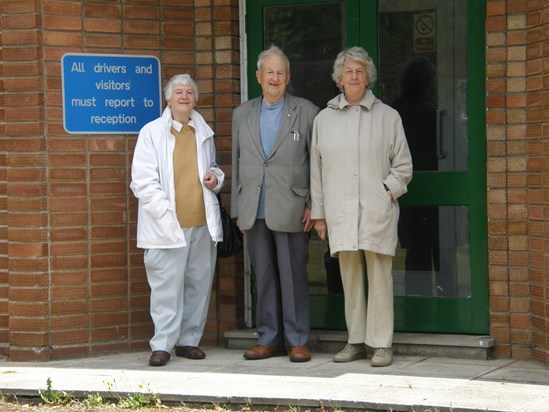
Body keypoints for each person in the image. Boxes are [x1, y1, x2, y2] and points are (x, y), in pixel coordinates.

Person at [310, 46, 413, 367]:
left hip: (376, 210)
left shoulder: (388, 116)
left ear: (369, 78)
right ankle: (355, 340)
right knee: (350, 277)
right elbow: (317, 169)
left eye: (359, 71)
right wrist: (319, 214)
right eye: (348, 71)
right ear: (339, 79)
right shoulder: (323, 119)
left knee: (380, 278)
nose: (354, 76)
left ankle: (381, 344)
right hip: (340, 211)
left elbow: (404, 166)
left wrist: (386, 192)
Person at [231, 45, 319, 363]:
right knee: (264, 276)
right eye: (269, 71)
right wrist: (238, 210)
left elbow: (317, 163)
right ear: (258, 76)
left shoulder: (307, 111)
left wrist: (314, 204)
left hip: (293, 208)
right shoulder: (241, 114)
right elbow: (238, 162)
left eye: (280, 72)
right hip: (254, 209)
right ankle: (269, 338)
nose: (275, 77)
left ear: (288, 77)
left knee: (292, 275)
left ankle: (297, 340)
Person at [130, 74, 224, 367]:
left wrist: (216, 178)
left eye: (189, 93)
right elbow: (142, 181)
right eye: (178, 92)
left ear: (195, 99)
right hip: (167, 226)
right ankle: (162, 344)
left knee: (198, 284)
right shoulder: (151, 132)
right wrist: (163, 212)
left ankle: (188, 341)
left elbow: (212, 169)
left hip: (200, 223)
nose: (184, 97)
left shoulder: (203, 132)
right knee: (166, 288)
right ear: (167, 99)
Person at [392, 57, 442, 296]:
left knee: (416, 255)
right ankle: (444, 309)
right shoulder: (430, 113)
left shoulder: (395, 111)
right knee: (440, 253)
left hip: (408, 197)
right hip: (432, 197)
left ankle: (416, 306)